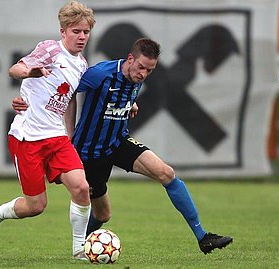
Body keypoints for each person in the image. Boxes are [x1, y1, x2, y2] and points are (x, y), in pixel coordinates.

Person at [12, 38, 233, 255]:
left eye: (149, 70)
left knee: (166, 173)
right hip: (89, 152)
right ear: (130, 59)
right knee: (103, 215)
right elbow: (64, 89)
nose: (144, 74)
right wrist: (27, 102)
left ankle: (203, 237)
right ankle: (82, 247)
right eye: (141, 67)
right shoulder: (100, 74)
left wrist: (130, 103)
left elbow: (123, 93)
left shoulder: (137, 76)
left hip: (118, 142)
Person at [0, 1, 96, 260]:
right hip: (28, 137)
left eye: (86, 32)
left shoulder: (81, 64)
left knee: (81, 188)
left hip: (57, 138)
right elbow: (14, 69)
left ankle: (79, 250)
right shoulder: (50, 50)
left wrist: (70, 135)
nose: (81, 37)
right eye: (76, 31)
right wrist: (29, 72)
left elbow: (69, 100)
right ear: (64, 30)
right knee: (36, 206)